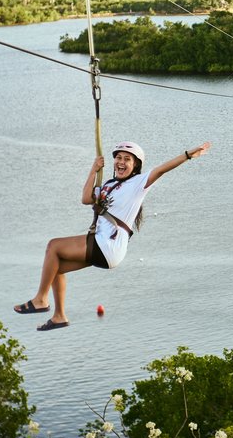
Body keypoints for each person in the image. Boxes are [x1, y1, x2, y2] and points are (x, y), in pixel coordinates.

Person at [14, 140, 211, 331]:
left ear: (135, 166)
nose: (121, 162)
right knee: (55, 267)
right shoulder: (107, 185)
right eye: (118, 158)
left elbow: (161, 169)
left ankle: (41, 299)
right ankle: (59, 316)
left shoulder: (138, 183)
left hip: (107, 244)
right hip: (104, 246)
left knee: (54, 246)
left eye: (127, 159)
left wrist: (188, 155)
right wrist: (94, 169)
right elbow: (85, 198)